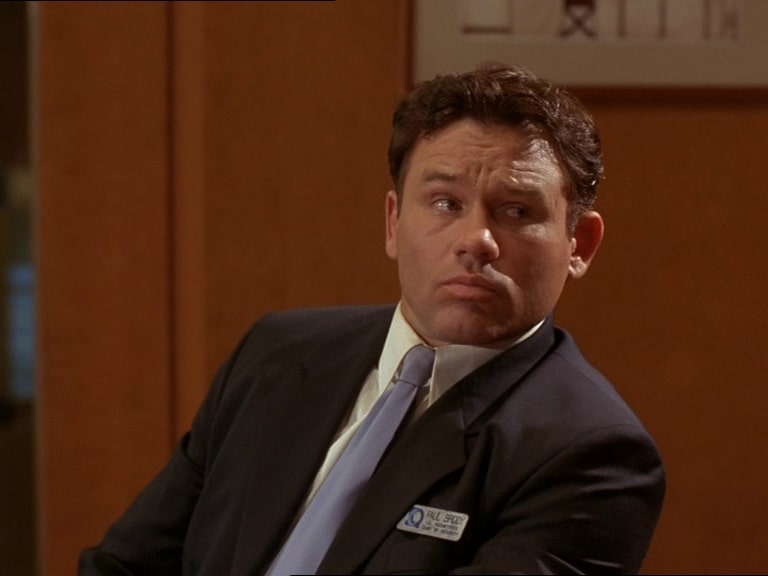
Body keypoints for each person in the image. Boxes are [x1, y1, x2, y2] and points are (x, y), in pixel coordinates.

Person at [79, 63, 665, 575]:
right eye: (445, 203)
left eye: (516, 211)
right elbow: (125, 566)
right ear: (393, 223)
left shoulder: (593, 458)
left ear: (579, 244)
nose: (477, 240)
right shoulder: (277, 353)